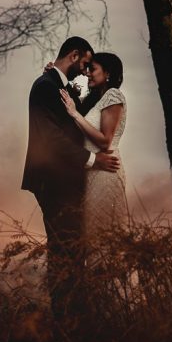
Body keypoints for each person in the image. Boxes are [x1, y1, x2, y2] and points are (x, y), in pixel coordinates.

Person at [21, 37, 120, 328]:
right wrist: (93, 161)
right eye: (85, 63)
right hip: (55, 181)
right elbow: (52, 140)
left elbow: (77, 118)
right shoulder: (45, 86)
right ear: (74, 55)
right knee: (65, 251)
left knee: (72, 249)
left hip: (66, 180)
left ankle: (75, 316)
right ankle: (68, 321)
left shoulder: (56, 85)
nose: (87, 70)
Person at [59, 52, 127, 242]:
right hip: (92, 171)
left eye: (93, 69)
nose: (88, 73)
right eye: (87, 69)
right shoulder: (94, 100)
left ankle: (111, 272)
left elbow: (105, 141)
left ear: (107, 73)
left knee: (106, 233)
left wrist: (75, 114)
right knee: (93, 233)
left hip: (107, 171)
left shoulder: (114, 95)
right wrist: (56, 74)